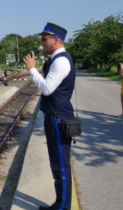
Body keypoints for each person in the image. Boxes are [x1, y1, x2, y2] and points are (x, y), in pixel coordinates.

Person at [23, 22, 75, 210]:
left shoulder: (61, 60)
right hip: (55, 116)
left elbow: (46, 88)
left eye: (44, 39)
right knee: (57, 164)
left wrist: (31, 69)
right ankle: (60, 204)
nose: (41, 42)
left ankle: (62, 207)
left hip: (57, 118)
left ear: (56, 40)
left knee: (60, 165)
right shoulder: (56, 59)